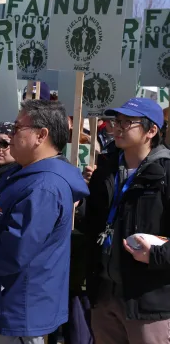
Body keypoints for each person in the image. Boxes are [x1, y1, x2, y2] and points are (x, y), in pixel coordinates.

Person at [0, 100, 89, 343]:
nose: (10, 134)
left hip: (15, 311)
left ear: (42, 135)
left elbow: (14, 251)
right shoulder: (22, 173)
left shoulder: (44, 187)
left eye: (18, 128)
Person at [84, 98, 170, 343]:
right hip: (104, 293)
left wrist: (155, 255)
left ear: (151, 131)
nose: (118, 127)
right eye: (117, 121)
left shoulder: (165, 172)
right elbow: (93, 224)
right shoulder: (106, 168)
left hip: (147, 300)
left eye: (127, 122)